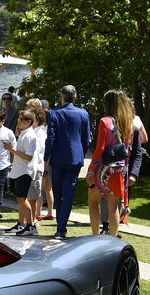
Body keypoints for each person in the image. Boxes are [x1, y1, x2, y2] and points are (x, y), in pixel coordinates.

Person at [87, 89, 142, 237]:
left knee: (93, 201)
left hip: (103, 168)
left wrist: (91, 169)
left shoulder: (105, 121)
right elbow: (134, 151)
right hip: (120, 170)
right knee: (113, 208)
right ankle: (112, 238)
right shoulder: (130, 125)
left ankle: (94, 236)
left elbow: (100, 148)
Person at [44, 84, 91, 239]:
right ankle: (61, 227)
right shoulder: (83, 114)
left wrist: (46, 158)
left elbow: (50, 138)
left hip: (58, 158)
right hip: (74, 158)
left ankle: (61, 227)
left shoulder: (54, 113)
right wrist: (80, 154)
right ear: (75, 96)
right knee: (68, 193)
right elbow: (86, 139)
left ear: (62, 97)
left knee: (58, 194)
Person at [2, 110, 38, 235]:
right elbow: (22, 151)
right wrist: (16, 138)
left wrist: (11, 149)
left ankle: (31, 225)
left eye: (21, 120)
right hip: (19, 170)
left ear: (28, 122)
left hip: (25, 171)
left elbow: (29, 156)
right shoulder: (24, 133)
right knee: (20, 198)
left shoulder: (30, 136)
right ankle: (21, 223)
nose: (18, 122)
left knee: (22, 198)